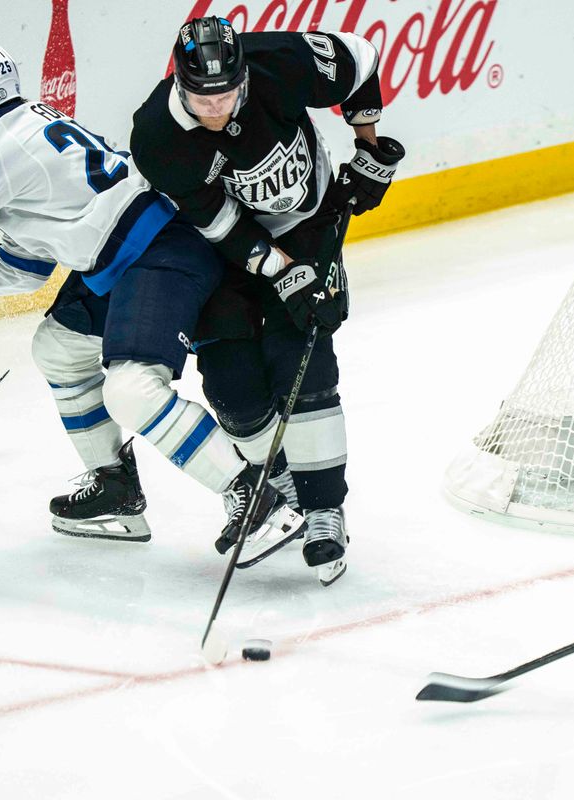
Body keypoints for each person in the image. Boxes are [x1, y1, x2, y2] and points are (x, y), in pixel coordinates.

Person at [0, 41, 294, 555]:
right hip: (126, 254)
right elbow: (26, 265)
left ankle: (253, 499)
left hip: (158, 249)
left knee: (132, 389)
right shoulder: (26, 129)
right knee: (57, 347)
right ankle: (114, 489)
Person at [123, 16, 404, 585]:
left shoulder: (280, 59)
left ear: (244, 72)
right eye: (204, 99)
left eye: (228, 93)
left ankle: (324, 509)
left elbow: (362, 59)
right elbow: (217, 220)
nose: (219, 107)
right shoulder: (156, 135)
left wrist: (369, 153)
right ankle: (278, 490)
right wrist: (279, 271)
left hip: (309, 223)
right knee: (228, 377)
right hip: (224, 252)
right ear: (179, 83)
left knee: (301, 354)